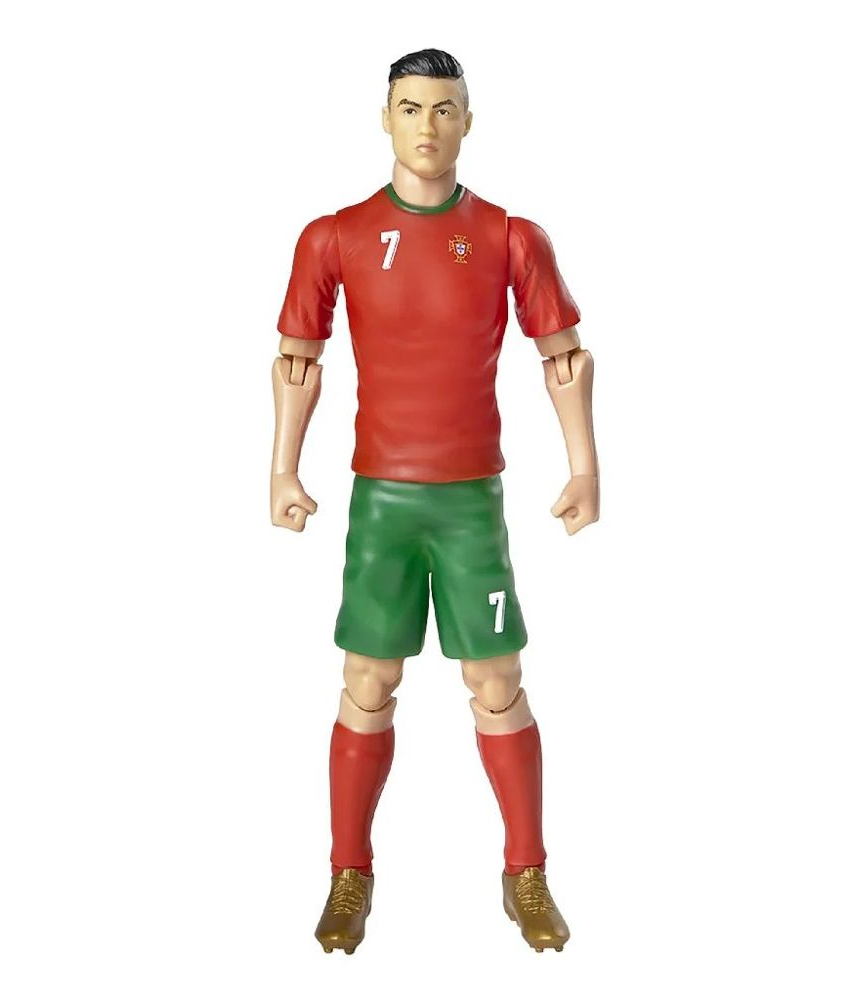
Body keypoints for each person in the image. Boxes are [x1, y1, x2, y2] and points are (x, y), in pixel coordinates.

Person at [271, 48, 599, 954]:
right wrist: (282, 469)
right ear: (385, 117)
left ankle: (526, 871)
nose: (427, 125)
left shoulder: (507, 235)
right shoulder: (334, 236)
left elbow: (563, 355)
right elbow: (298, 358)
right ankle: (348, 872)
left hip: (469, 505)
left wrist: (584, 466)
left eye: (444, 108)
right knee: (367, 680)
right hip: (382, 500)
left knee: (497, 681)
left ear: (468, 121)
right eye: (410, 107)